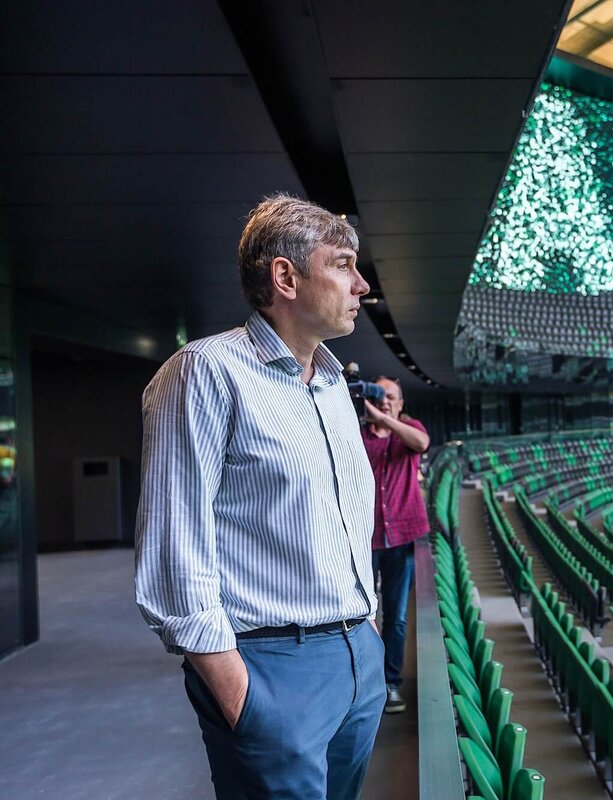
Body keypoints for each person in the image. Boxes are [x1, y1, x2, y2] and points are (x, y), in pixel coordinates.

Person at [134, 194, 384, 799]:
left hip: (358, 657)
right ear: (285, 277)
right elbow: (174, 546)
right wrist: (239, 694)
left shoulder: (332, 384)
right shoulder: (206, 371)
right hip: (269, 667)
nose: (362, 285)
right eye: (343, 265)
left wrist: (368, 631)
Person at [361, 376, 430, 713]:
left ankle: (390, 683)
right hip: (364, 539)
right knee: (361, 616)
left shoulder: (410, 429)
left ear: (401, 404)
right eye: (378, 395)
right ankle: (366, 685)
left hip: (401, 539)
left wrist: (385, 421)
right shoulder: (356, 434)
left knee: (397, 616)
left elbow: (421, 442)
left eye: (390, 397)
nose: (384, 401)